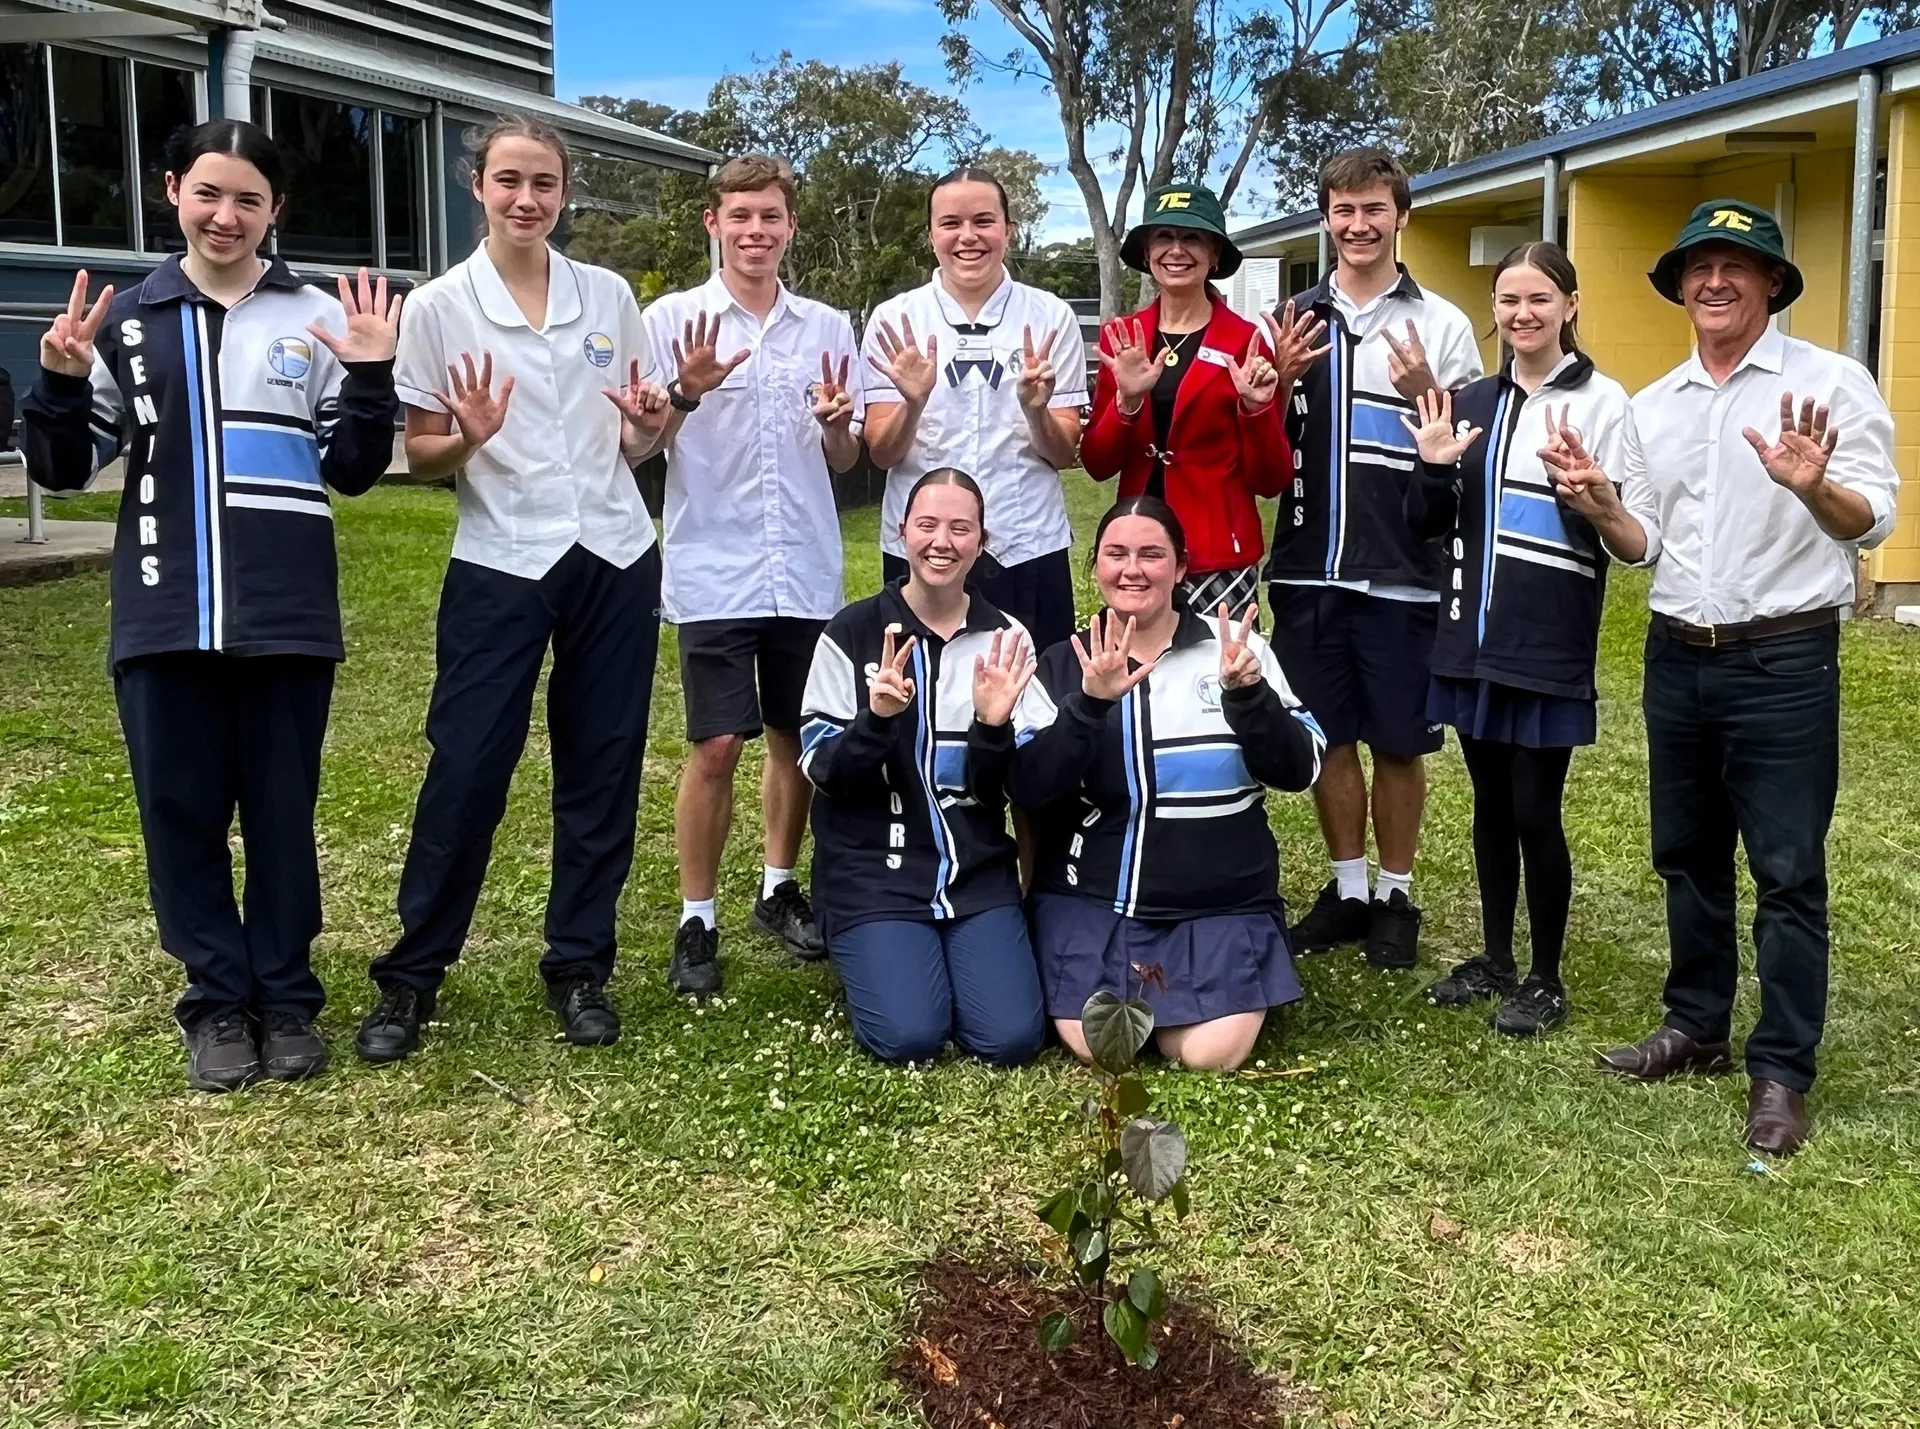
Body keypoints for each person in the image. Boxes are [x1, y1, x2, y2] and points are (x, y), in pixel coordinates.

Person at [20, 120, 400, 1091]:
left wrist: (369, 375)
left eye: (248, 199)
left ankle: (286, 997)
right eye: (208, 193)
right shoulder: (127, 320)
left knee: (281, 815)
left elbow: (354, 469)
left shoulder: (317, 316)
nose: (226, 215)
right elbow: (66, 467)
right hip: (164, 612)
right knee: (180, 814)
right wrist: (60, 384)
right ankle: (218, 1002)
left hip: (286, 614)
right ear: (172, 192)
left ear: (276, 211)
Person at [1540, 200, 1897, 1156]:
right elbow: (1641, 543)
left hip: (1783, 657)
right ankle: (1697, 1023)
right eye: (1699, 266)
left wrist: (1814, 486)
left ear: (1773, 281)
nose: (1714, 280)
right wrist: (1602, 504)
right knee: (1687, 853)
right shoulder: (1655, 405)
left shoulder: (1831, 383)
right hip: (1678, 654)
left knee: (1787, 870)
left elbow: (1873, 520)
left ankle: (1781, 1069)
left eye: (1736, 264)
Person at [353, 116, 679, 1065]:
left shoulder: (608, 295)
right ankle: (413, 973)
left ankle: (579, 964)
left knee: (602, 766)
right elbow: (420, 453)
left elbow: (638, 440)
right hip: (501, 559)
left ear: (564, 191)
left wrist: (651, 423)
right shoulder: (438, 307)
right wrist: (469, 437)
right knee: (466, 767)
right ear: (478, 185)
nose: (527, 199)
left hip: (613, 553)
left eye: (544, 183)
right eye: (509, 180)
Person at [1401, 243, 1657, 1037]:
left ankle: (1546, 977)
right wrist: (1433, 466)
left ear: (1570, 305)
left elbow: (1630, 537)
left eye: (1540, 298)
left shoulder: (1606, 402)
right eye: (1509, 299)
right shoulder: (1471, 400)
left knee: (1535, 808)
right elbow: (1425, 523)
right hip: (1471, 635)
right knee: (1489, 803)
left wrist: (1592, 496)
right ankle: (1496, 958)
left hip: (1546, 637)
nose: (1523, 313)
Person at [641, 155, 865, 998]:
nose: (755, 231)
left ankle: (778, 887)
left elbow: (843, 457)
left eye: (770, 216)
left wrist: (837, 426)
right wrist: (684, 392)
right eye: (740, 216)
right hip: (715, 566)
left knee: (793, 741)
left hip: (803, 566)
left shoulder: (827, 327)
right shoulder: (670, 320)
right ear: (714, 223)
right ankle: (696, 916)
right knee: (716, 745)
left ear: (790, 226)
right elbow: (643, 442)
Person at [1008, 496, 1326, 1072]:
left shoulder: (1237, 650)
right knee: (1101, 1047)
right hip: (1094, 899)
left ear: (1180, 568)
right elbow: (1029, 788)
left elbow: (1299, 770)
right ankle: (1144, 986)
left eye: (1152, 555)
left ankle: (1196, 993)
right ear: (1096, 566)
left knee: (1209, 1055)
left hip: (1221, 903)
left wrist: (1249, 698)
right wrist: (1089, 706)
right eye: (1116, 554)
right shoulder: (1063, 663)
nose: (1133, 570)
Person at [1264, 147, 1484, 972]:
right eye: (1344, 211)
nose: (1359, 225)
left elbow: (1464, 449)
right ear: (1326, 218)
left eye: (1374, 210)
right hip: (1308, 565)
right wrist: (1271, 386)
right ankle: (1347, 889)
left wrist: (1427, 387)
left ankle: (1395, 894)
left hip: (1402, 569)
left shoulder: (1444, 323)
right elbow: (1263, 441)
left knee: (1398, 742)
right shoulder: (1292, 319)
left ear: (1402, 216)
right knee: (1328, 736)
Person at [797, 468, 1046, 1066]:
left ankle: (949, 955)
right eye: (927, 524)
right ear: (901, 531)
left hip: (975, 870)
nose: (942, 542)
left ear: (982, 541)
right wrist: (876, 720)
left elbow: (1025, 784)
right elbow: (823, 770)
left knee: (1011, 1038)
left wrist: (993, 728)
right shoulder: (851, 631)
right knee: (910, 1035)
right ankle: (880, 950)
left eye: (961, 528)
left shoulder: (1006, 638)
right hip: (873, 873)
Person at [863, 167, 1089, 654]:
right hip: (924, 551)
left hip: (1027, 543)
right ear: (931, 235)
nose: (968, 236)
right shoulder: (895, 318)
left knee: (1039, 686)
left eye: (983, 221)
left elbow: (1063, 453)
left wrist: (1036, 412)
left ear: (1009, 229)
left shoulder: (1051, 317)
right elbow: (882, 454)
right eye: (950, 223)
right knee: (921, 687)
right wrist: (912, 403)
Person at [1082, 182, 1325, 616]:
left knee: (1221, 660)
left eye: (1192, 238)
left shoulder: (1246, 343)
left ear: (1214, 255)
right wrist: (1127, 403)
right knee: (1138, 659)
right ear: (1146, 253)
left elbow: (1270, 481)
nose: (1177, 250)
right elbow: (1098, 464)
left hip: (1217, 552)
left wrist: (1257, 410)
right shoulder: (1120, 339)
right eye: (1164, 236)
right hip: (1137, 552)